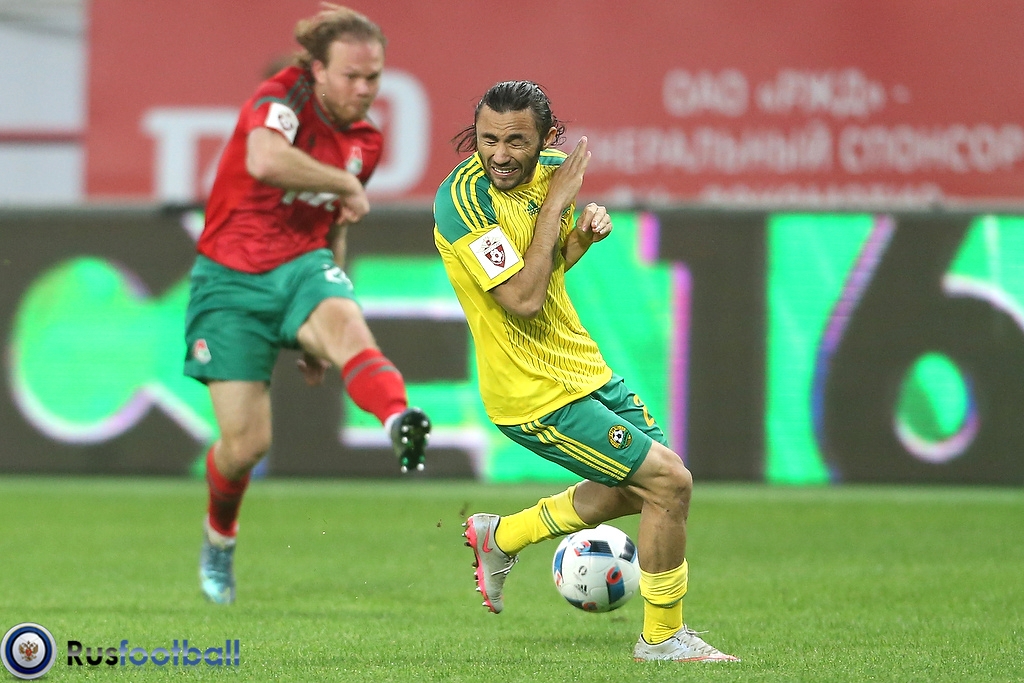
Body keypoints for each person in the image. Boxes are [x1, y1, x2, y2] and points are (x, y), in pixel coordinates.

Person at [432, 81, 737, 663]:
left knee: (644, 490)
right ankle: (662, 639)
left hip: (582, 369)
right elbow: (522, 300)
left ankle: (503, 536)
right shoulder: (463, 201)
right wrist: (557, 207)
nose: (499, 155)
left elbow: (545, 273)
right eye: (487, 140)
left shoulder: (553, 173)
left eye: (516, 141)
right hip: (532, 392)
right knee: (669, 483)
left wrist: (577, 238)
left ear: (547, 137)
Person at [184, 4, 431, 605]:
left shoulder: (366, 141)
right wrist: (343, 182)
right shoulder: (284, 95)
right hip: (229, 282)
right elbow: (264, 159)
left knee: (349, 330)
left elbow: (333, 225)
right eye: (351, 76)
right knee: (245, 447)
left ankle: (398, 418)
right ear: (317, 70)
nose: (364, 89)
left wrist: (327, 302)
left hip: (303, 266)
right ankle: (219, 538)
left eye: (374, 77)